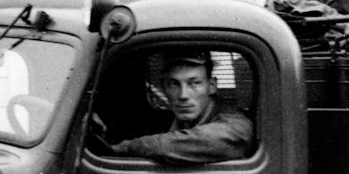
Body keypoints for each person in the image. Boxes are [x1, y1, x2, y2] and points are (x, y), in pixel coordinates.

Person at [106, 53, 256, 164]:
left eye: (194, 83)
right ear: (163, 88)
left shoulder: (235, 123)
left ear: (211, 86)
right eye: (174, 84)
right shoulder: (168, 121)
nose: (183, 95)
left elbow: (205, 141)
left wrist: (127, 147)